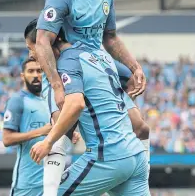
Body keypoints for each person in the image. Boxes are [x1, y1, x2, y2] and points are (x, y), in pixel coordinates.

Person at [30, 30, 150, 195]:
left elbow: (74, 107)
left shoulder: (66, 63)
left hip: (107, 155)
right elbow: (141, 126)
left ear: (49, 42)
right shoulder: (99, 56)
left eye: (33, 48)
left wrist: (48, 142)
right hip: (136, 154)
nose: (31, 55)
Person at [35, 0, 146, 109]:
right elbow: (42, 42)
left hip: (97, 59)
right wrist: (56, 85)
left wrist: (135, 67)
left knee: (140, 122)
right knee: (72, 117)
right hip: (72, 65)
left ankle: (114, 122)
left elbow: (110, 37)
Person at [3, 58, 74, 196]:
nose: (36, 75)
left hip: (51, 180)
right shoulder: (17, 100)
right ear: (23, 76)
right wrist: (41, 131)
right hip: (27, 185)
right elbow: (7, 139)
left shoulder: (49, 100)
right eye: (31, 71)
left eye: (39, 71)